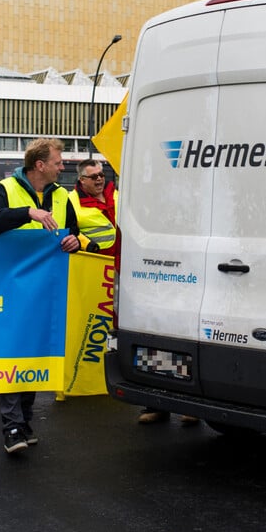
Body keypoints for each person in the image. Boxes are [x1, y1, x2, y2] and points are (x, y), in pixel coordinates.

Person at [68, 161, 197, 426]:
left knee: (169, 334)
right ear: (81, 180)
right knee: (142, 338)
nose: (100, 180)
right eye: (93, 177)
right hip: (103, 274)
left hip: (145, 272)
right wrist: (85, 244)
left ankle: (188, 404)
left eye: (102, 175)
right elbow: (68, 232)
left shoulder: (122, 195)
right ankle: (154, 402)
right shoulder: (72, 201)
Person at [0, 138, 81, 454]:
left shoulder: (61, 195)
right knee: (12, 353)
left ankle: (23, 420)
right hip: (9, 290)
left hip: (45, 291)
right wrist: (28, 213)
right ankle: (11, 425)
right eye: (58, 161)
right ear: (40, 165)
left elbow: (73, 231)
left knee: (34, 355)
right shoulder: (6, 188)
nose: (63, 167)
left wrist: (74, 241)